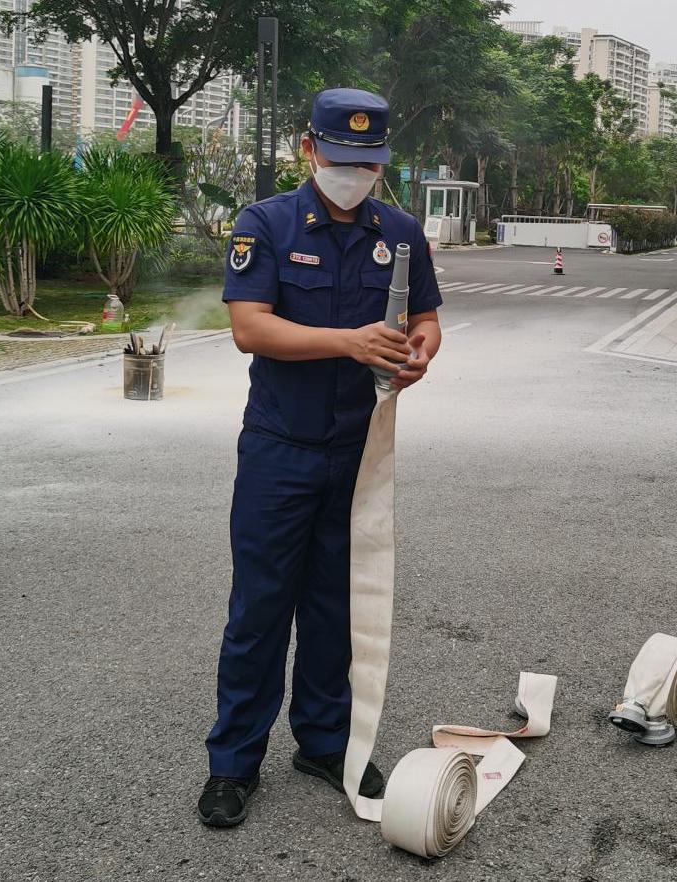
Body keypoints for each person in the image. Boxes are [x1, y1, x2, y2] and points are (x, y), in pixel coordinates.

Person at [199, 88, 443, 828]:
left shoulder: (400, 232)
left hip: (358, 450)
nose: (353, 175)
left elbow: (426, 318)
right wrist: (350, 342)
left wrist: (421, 352)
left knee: (338, 605)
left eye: (368, 164)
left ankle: (326, 743)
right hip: (280, 450)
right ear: (309, 150)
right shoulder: (266, 223)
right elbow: (250, 328)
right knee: (261, 608)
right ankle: (233, 762)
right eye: (340, 159)